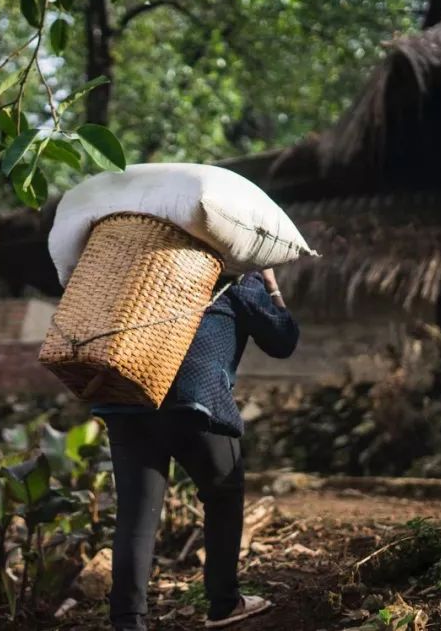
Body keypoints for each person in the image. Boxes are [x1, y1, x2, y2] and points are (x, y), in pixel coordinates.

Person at [94, 268, 300, 630]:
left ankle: (128, 621)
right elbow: (283, 340)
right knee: (223, 494)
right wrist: (271, 284)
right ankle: (223, 603)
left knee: (136, 513)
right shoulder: (232, 271)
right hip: (195, 402)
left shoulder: (140, 272)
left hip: (126, 399)